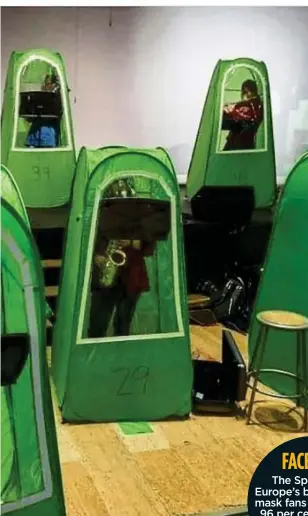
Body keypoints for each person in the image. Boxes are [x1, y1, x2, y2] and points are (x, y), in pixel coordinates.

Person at [89, 236, 155, 338]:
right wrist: (96, 255)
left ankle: (119, 353)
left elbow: (150, 247)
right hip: (105, 275)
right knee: (96, 327)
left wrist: (132, 242)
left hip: (130, 278)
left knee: (122, 328)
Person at [222, 79, 263, 151]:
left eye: (249, 91)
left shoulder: (254, 105)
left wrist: (231, 111)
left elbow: (247, 119)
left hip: (241, 142)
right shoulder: (246, 104)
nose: (246, 94)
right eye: (244, 92)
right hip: (238, 140)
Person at [25, 74, 60, 148]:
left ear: (54, 85)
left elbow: (54, 114)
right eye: (45, 84)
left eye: (48, 84)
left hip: (47, 135)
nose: (45, 86)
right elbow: (30, 118)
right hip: (34, 134)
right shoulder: (39, 97)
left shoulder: (57, 98)